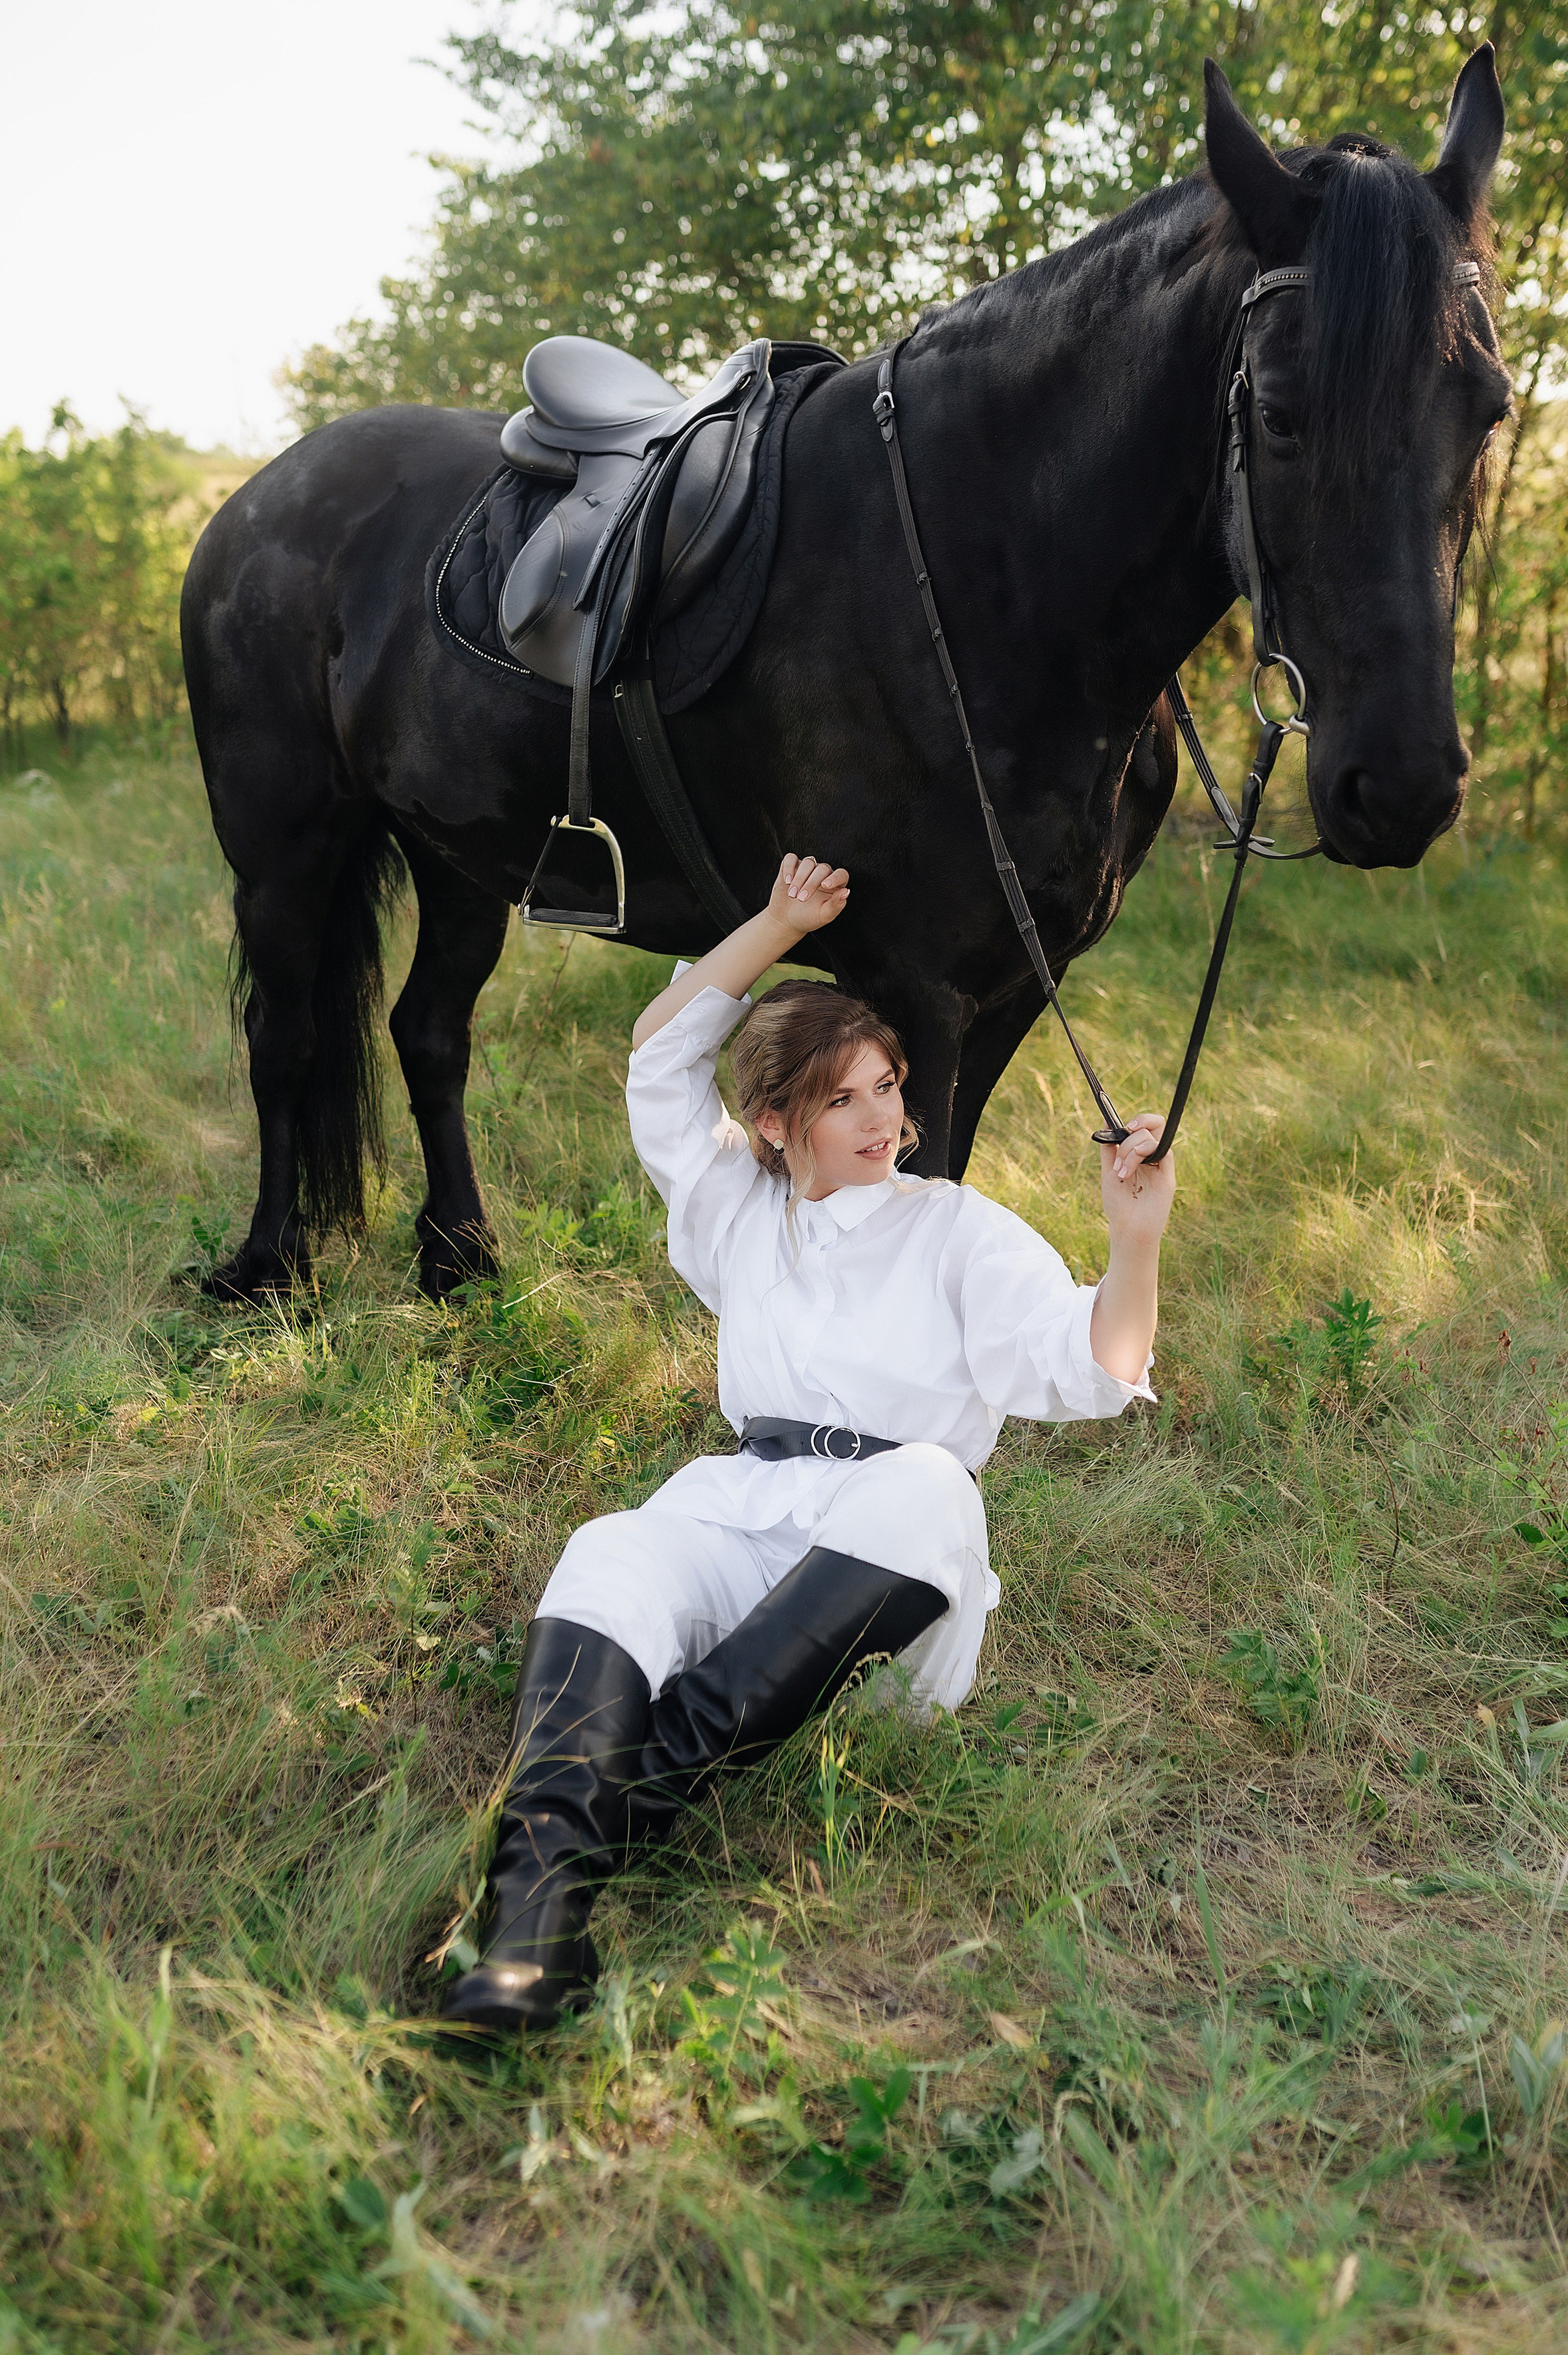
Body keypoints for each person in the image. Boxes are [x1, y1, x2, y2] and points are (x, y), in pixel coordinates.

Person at [445, 854, 1176, 2033]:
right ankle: (534, 1929)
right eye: (845, 1098)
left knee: (933, 1481)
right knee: (609, 1550)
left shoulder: (954, 1230)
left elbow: (1099, 1366)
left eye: (887, 1085)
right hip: (745, 1513)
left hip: (884, 1596)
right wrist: (778, 925)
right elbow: (662, 1053)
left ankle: (633, 1795)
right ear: (777, 1121)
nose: (885, 1115)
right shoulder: (738, 1206)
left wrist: (1132, 1242)